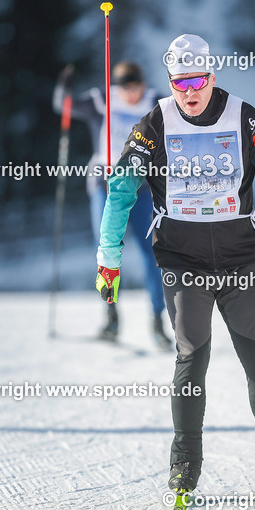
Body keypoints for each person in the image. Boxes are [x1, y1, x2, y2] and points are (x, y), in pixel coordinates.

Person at [94, 34, 255, 503]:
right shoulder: (154, 124)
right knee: (192, 358)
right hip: (181, 259)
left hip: (239, 258)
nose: (189, 92)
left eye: (196, 80)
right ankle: (184, 465)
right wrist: (108, 257)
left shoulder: (244, 117)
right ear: (169, 82)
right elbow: (121, 188)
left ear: (211, 77)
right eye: (179, 82)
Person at [53, 62, 170, 348]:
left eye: (137, 87)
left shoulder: (155, 102)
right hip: (104, 184)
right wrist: (64, 84)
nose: (133, 93)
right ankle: (111, 316)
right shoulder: (102, 100)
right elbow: (62, 105)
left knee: (151, 251)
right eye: (127, 87)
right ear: (119, 86)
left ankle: (157, 321)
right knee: (106, 247)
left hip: (140, 186)